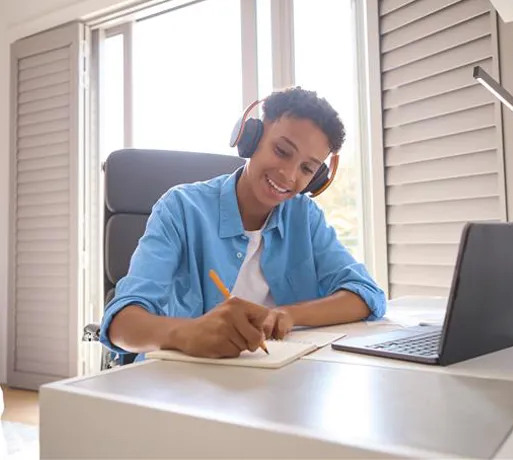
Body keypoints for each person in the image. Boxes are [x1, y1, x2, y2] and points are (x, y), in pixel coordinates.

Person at [100, 87, 386, 360]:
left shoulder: (305, 217)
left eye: (307, 168)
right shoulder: (180, 209)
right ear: (252, 137)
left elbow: (366, 295)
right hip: (184, 382)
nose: (288, 175)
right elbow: (121, 324)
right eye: (282, 151)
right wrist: (187, 334)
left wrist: (288, 315)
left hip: (279, 379)